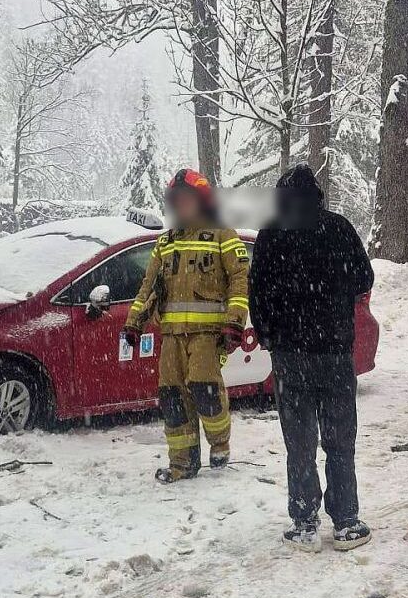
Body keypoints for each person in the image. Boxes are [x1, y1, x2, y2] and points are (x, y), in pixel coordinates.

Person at [250, 162, 375, 552]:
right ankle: (346, 521)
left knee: (299, 441)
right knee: (340, 439)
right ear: (317, 196)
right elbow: (364, 278)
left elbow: (257, 294)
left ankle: (304, 523)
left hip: (290, 357)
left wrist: (272, 333)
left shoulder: (271, 236)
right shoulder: (338, 229)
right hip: (335, 353)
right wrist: (332, 295)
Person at [123, 169, 250, 483]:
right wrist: (133, 322)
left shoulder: (223, 234)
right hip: (171, 335)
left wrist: (234, 322)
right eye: (176, 201)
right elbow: (148, 285)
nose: (181, 206)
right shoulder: (166, 242)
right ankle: (182, 464)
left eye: (186, 200)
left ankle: (220, 443)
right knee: (171, 396)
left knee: (204, 387)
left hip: (207, 334)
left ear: (202, 201)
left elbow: (239, 281)